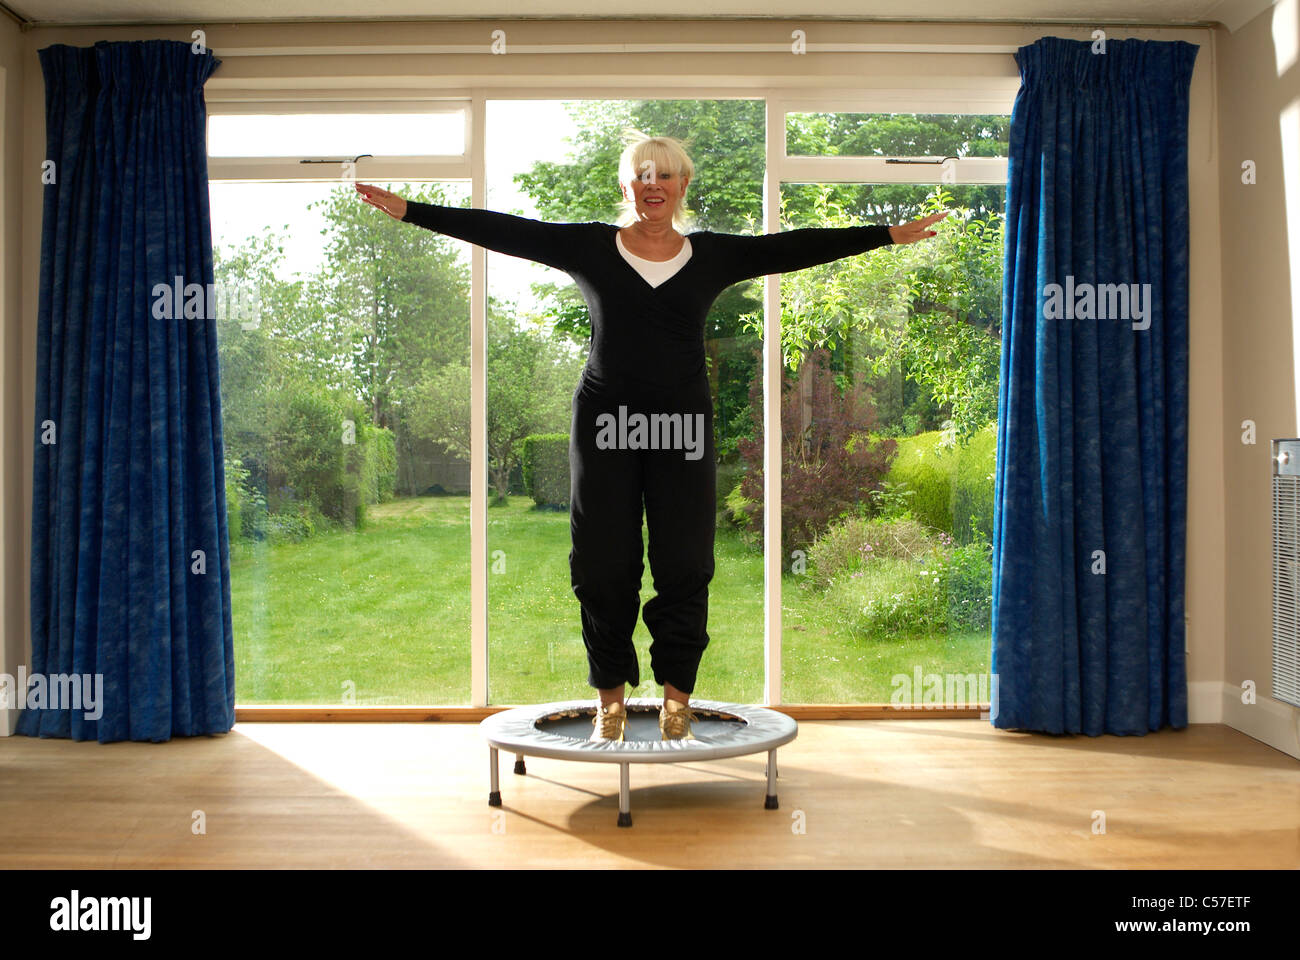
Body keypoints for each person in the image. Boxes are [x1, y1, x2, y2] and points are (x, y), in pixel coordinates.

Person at [357, 132, 945, 743]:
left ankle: (676, 701)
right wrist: (412, 211)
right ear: (627, 186)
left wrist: (884, 234)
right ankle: (609, 700)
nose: (653, 185)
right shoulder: (589, 246)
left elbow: (790, 248)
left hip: (683, 431)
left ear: (683, 186)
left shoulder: (712, 255)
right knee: (603, 565)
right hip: (605, 427)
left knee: (685, 561)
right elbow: (506, 229)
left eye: (665, 175)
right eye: (642, 175)